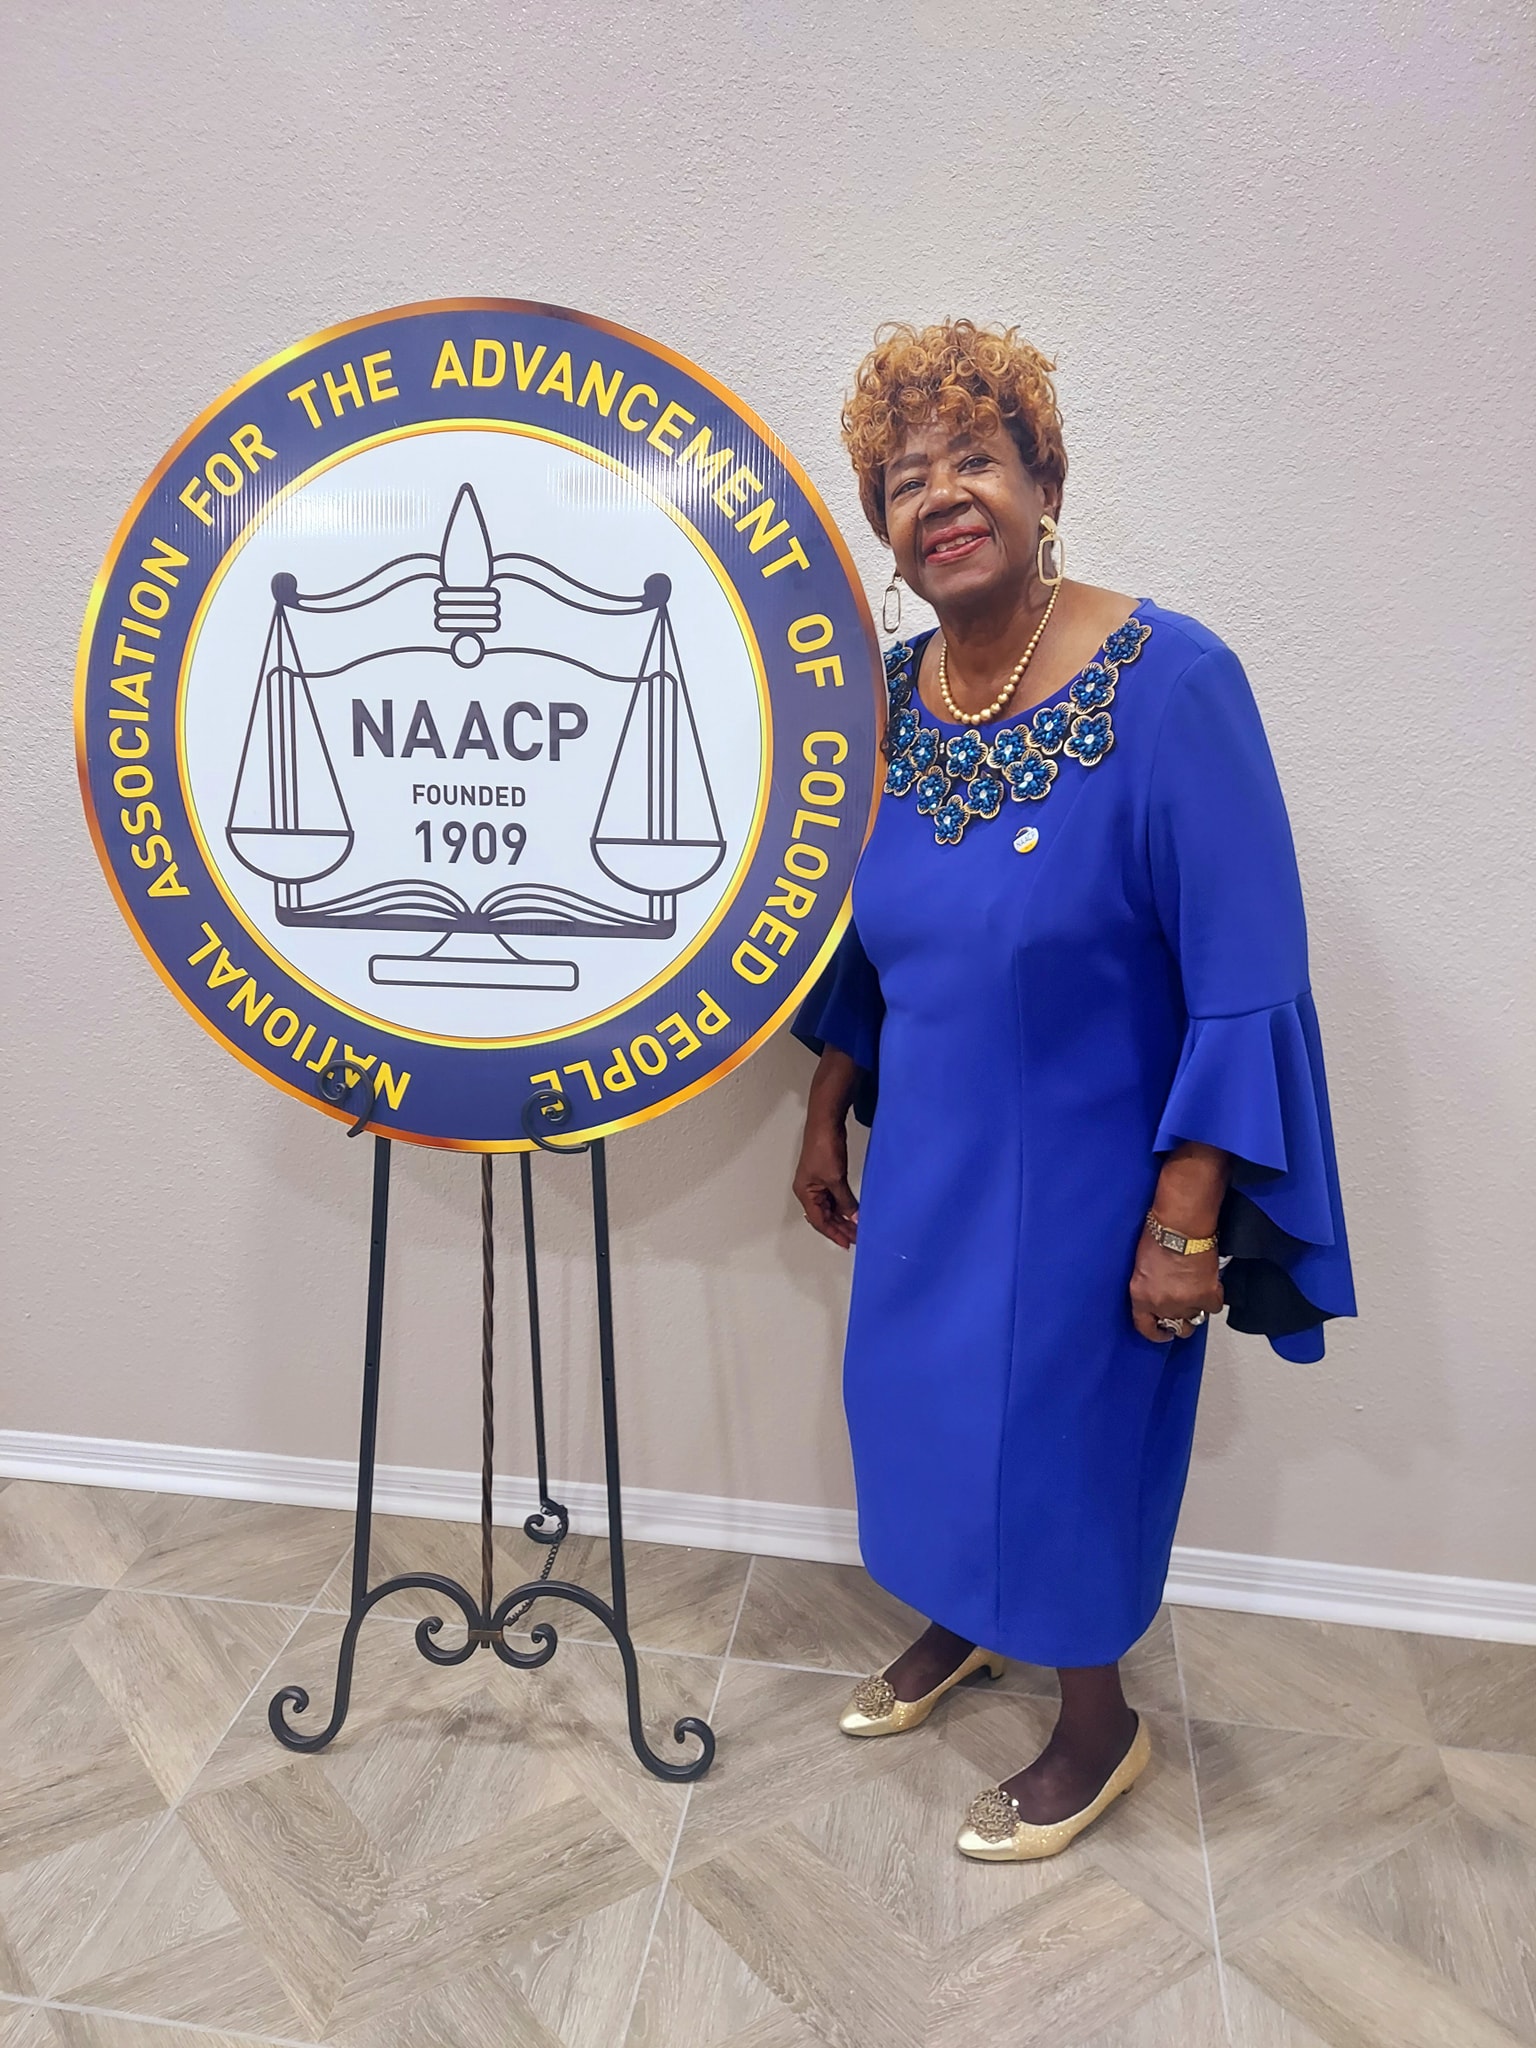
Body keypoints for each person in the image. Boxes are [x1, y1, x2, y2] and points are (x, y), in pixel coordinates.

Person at [792, 320, 1355, 1863]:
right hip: (933, 1165)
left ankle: (1099, 1724)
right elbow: (879, 937)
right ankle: (964, 1620)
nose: (941, 496)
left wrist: (1186, 1219)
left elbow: (1245, 975)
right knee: (912, 1409)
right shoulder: (889, 701)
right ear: (884, 530)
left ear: (1045, 483)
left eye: (975, 459)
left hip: (1102, 1175)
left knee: (1062, 1442)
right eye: (906, 479)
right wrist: (829, 1099)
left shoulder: (1173, 681)